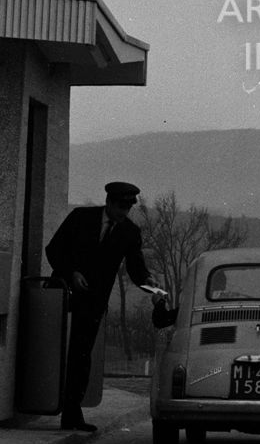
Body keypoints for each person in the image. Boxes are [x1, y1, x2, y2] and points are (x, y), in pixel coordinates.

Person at [45, 181, 172, 430]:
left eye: (128, 208)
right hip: (63, 293)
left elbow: (136, 270)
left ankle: (71, 413)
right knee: (52, 351)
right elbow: (54, 250)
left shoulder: (130, 232)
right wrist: (72, 272)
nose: (124, 213)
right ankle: (48, 402)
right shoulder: (81, 218)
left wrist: (149, 282)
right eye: (121, 207)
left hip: (93, 301)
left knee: (81, 355)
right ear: (109, 202)